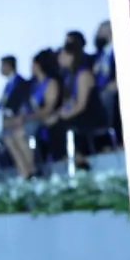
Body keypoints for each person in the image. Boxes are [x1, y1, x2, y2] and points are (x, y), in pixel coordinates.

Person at [0, 49, 63, 179]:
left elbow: (48, 109)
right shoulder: (31, 84)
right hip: (28, 118)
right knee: (8, 135)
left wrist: (26, 117)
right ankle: (23, 171)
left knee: (19, 133)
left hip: (43, 119)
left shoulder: (50, 83)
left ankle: (32, 169)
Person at [49, 41, 110, 170]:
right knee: (52, 125)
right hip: (78, 113)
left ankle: (80, 160)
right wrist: (58, 114)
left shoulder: (83, 74)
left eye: (62, 55)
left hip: (91, 114)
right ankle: (69, 158)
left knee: (60, 125)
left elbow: (81, 105)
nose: (59, 59)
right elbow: (69, 103)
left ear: (71, 56)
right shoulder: (69, 76)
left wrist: (62, 116)